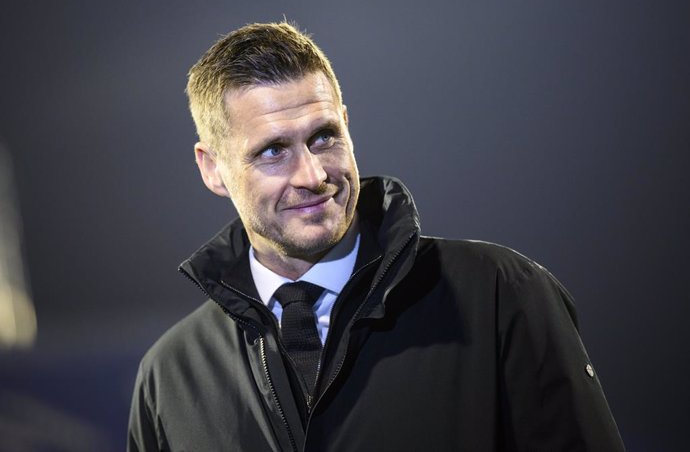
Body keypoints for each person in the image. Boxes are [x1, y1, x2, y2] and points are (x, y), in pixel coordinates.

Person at [127, 22, 625, 451]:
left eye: (323, 137)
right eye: (273, 151)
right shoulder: (169, 377)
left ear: (347, 125)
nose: (312, 174)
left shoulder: (498, 295)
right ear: (212, 168)